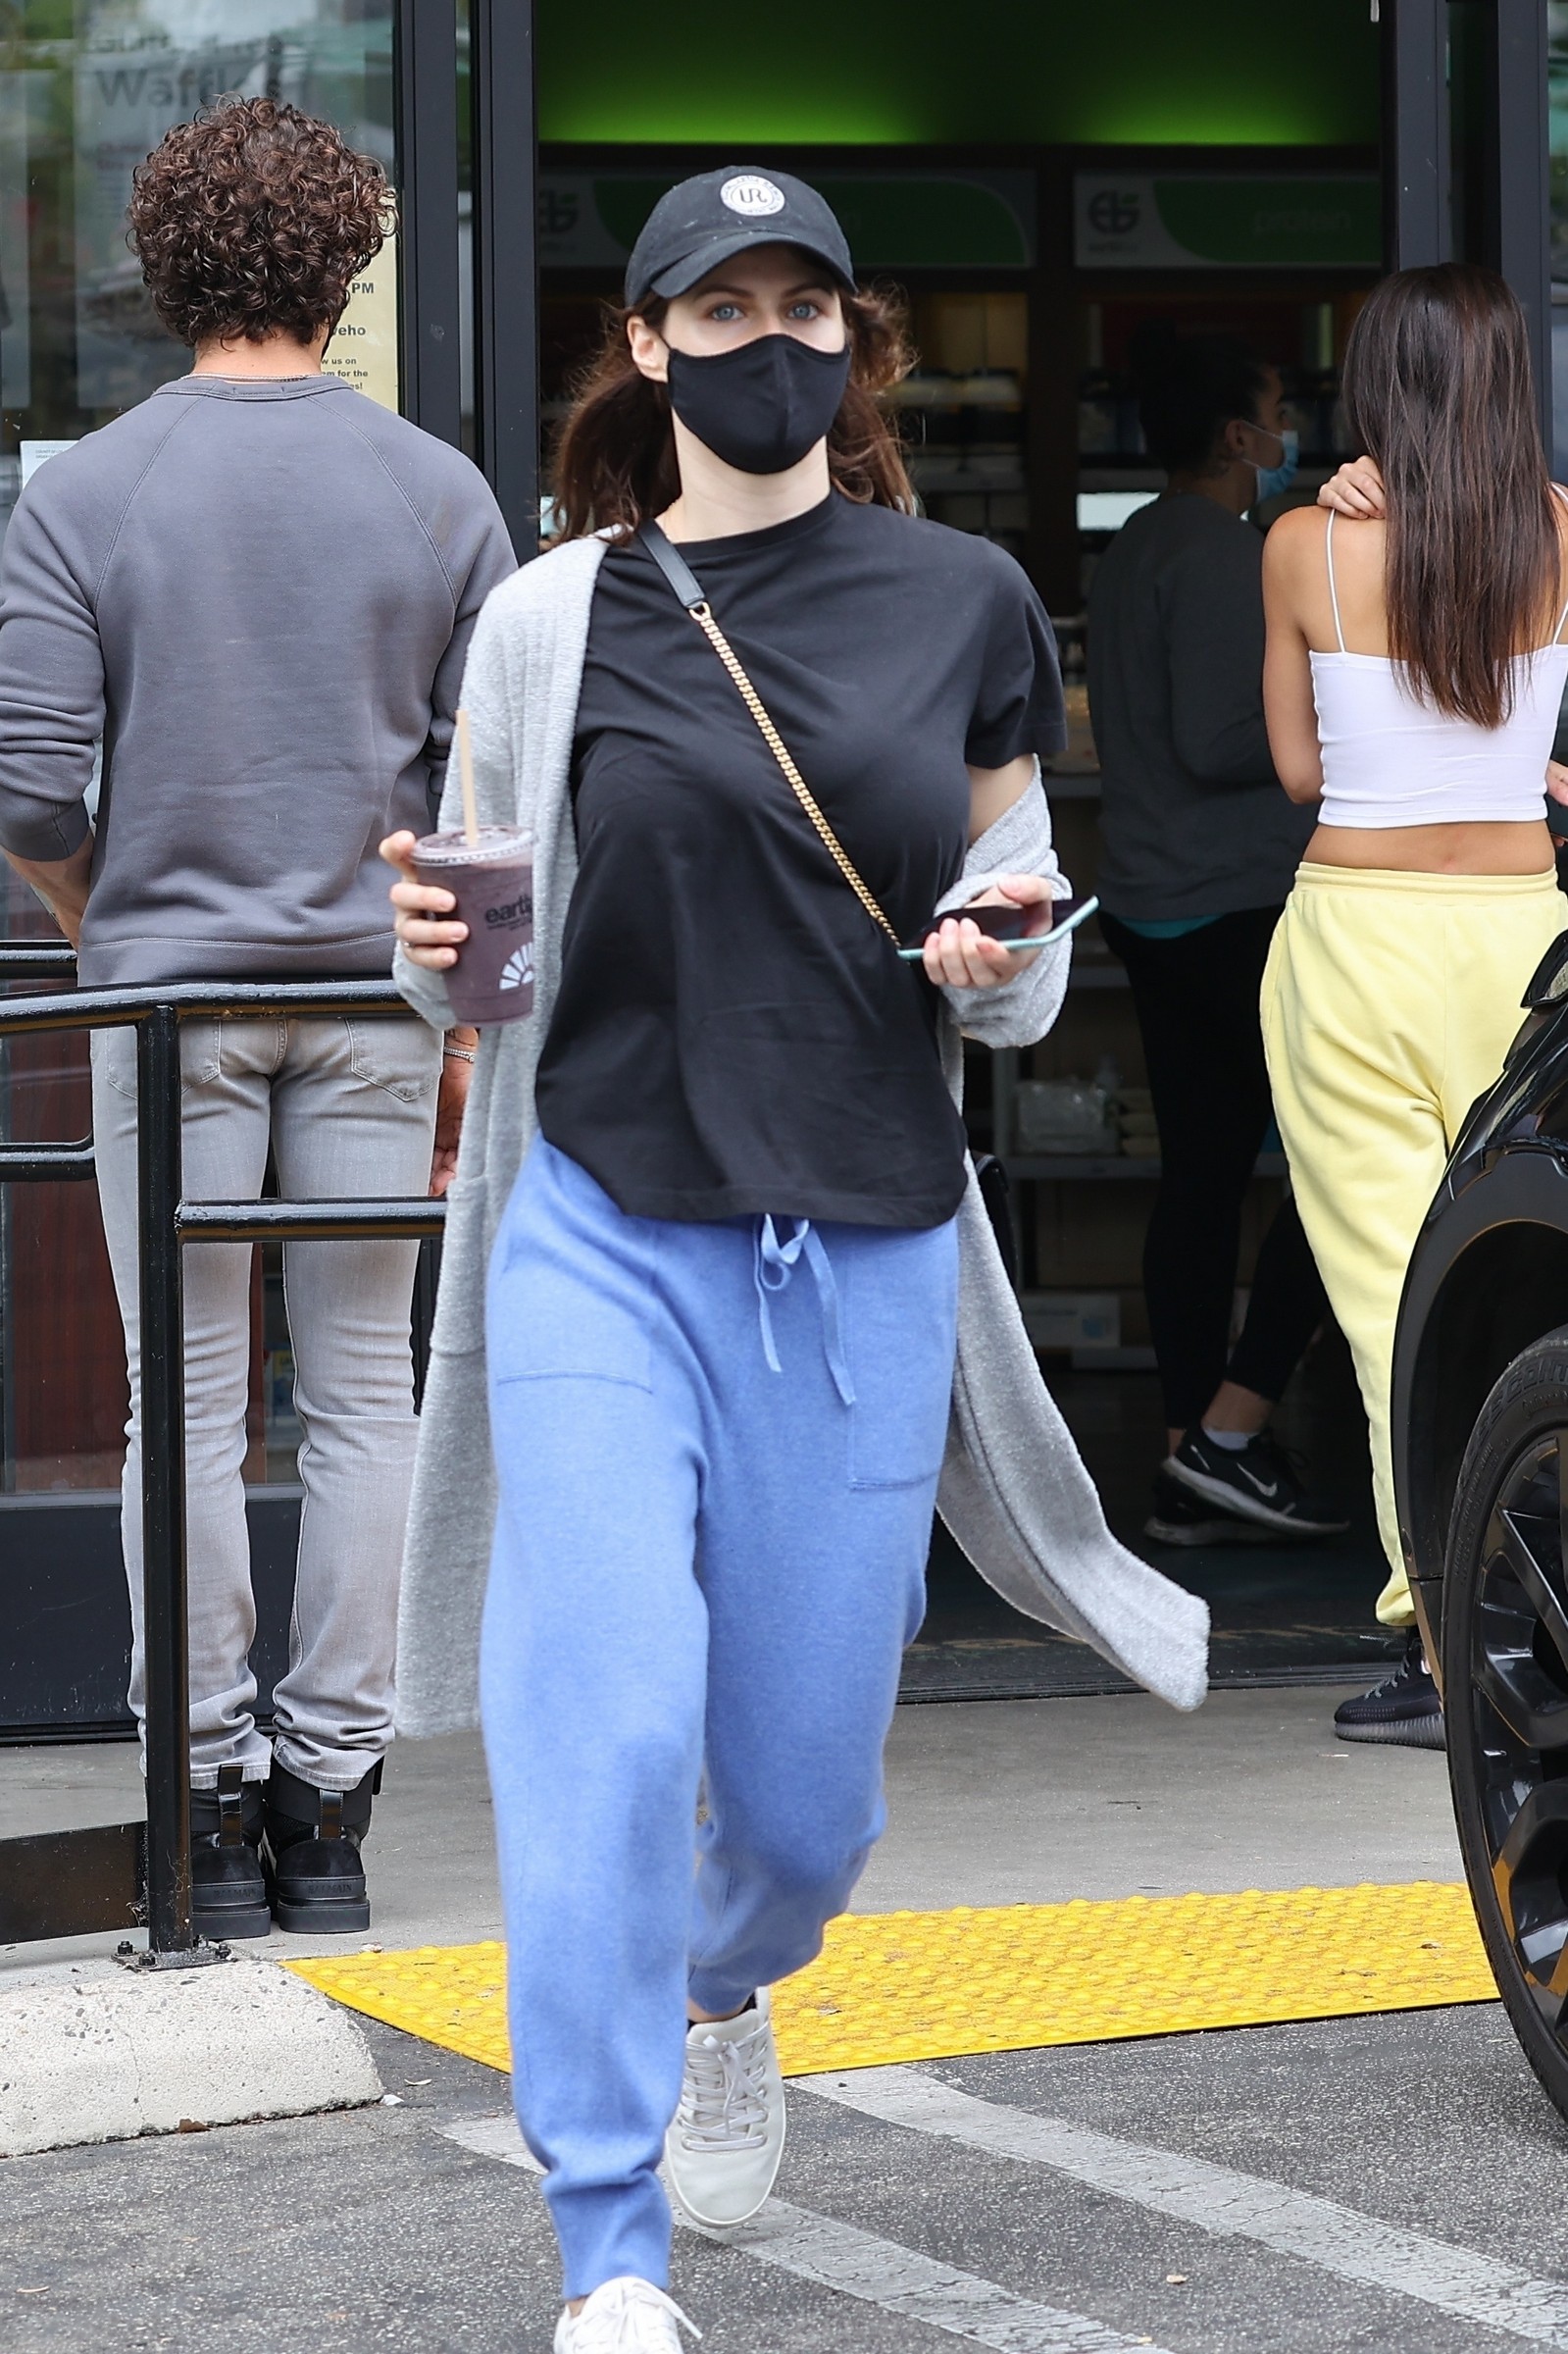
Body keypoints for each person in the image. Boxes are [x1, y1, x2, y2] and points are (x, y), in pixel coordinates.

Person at [381, 167, 1209, 2353]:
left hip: (854, 1254)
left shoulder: (966, 601)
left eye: (805, 305)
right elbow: (479, 963)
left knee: (809, 1809)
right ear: (645, 344)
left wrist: (999, 954)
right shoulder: (549, 619)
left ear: (856, 341)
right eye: (722, 307)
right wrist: (431, 949)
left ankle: (722, 1982)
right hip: (597, 1231)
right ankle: (605, 2241)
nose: (770, 341)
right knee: (603, 1725)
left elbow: (1022, 943)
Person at [0, 98, 515, 1930]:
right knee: (367, 1393)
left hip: (168, 1011)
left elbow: (30, 792)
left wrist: (105, 923)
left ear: (164, 268)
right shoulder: (439, 492)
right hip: (376, 999)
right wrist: (457, 1004)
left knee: (187, 1402)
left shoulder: (87, 492)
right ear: (346, 265)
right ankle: (330, 1815)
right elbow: (488, 801)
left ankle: (204, 1809)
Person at [1262, 262, 1568, 1751]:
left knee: (1396, 1308)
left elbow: (1297, 773)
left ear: (1373, 385)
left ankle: (1452, 1649)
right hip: (1523, 940)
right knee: (1540, 1282)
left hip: (1357, 942)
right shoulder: (1561, 529)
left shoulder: (1304, 547)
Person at [1087, 323, 1342, 1548]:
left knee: (1198, 1178)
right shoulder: (1224, 551)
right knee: (1333, 1165)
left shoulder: (1137, 542)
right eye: (1279, 411)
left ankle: (1192, 1452)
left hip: (1155, 902)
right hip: (1232, 907)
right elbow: (1218, 738)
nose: (1290, 431)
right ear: (1241, 436)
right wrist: (1343, 718)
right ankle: (1230, 1433)